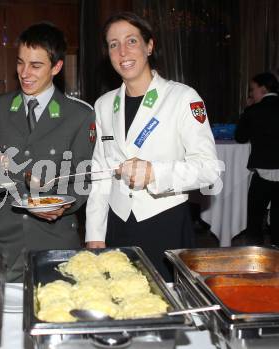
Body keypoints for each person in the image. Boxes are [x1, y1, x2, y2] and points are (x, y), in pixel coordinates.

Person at [85, 12, 219, 281]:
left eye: (131, 41)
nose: (122, 51)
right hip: (117, 224)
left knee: (169, 307)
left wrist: (154, 173)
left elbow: (209, 170)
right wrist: (94, 234)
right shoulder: (103, 105)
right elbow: (100, 174)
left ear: (149, 46)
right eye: (113, 44)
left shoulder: (182, 97)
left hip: (165, 222)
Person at [0, 22, 95, 282]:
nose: (24, 73)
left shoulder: (78, 115)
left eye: (36, 65)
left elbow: (81, 180)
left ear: (56, 67)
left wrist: (61, 206)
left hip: (54, 240)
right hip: (2, 240)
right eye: (20, 63)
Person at [235, 72, 279, 245]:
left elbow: (240, 137)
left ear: (263, 89)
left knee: (255, 217)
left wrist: (247, 110)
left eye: (253, 89)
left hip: (263, 170)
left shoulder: (253, 110)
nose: (251, 93)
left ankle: (257, 253)